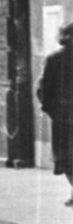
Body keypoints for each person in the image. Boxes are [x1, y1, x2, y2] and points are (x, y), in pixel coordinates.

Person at [38, 19, 73, 205]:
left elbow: (43, 89)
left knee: (67, 158)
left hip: (63, 116)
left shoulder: (54, 59)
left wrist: (51, 108)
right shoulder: (54, 59)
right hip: (64, 115)